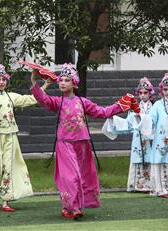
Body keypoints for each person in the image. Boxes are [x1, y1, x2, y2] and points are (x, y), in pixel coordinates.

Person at [30, 63, 135, 219]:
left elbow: (102, 112)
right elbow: (43, 99)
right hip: (65, 143)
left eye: (66, 80)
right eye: (61, 80)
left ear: (74, 83)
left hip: (82, 143)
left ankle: (72, 206)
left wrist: (121, 105)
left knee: (83, 176)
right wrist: (33, 80)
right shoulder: (57, 102)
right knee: (71, 176)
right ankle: (73, 208)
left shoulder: (82, 102)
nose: (62, 82)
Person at [0, 64, 51, 212]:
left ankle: (5, 202)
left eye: (3, 79)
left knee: (8, 168)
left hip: (11, 136)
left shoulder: (11, 96)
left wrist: (46, 84)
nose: (1, 82)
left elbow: (31, 99)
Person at [102, 77, 154, 192]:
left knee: (150, 160)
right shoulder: (134, 109)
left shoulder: (155, 108)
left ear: (150, 93)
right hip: (138, 139)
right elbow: (127, 125)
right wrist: (113, 119)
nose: (143, 95)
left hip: (150, 139)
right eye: (140, 93)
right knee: (138, 160)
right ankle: (136, 186)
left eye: (145, 92)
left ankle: (150, 185)